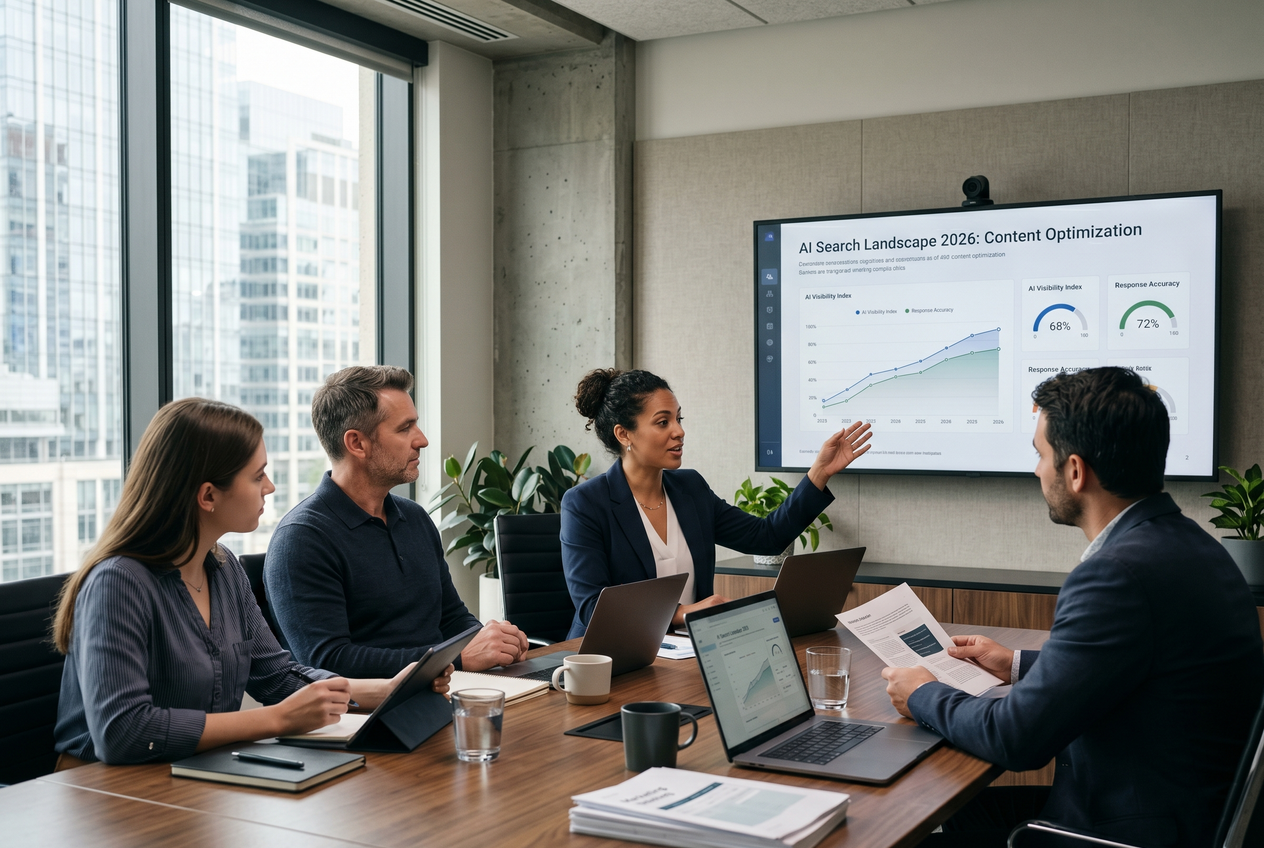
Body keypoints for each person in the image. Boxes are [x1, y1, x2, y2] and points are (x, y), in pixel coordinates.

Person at [882, 367, 1264, 847]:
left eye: (1041, 455)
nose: (1036, 470)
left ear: (1076, 470)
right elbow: (1145, 669)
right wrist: (1017, 664)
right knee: (959, 808)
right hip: (1180, 813)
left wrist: (922, 693)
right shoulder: (1193, 546)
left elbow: (1016, 740)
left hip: (1121, 832)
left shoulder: (1116, 575)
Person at [52, 398, 444, 766]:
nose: (270, 487)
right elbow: (123, 732)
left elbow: (277, 677)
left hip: (194, 775)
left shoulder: (223, 570)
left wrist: (383, 689)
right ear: (208, 496)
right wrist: (276, 720)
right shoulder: (118, 583)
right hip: (105, 795)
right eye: (258, 476)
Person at [561, 368, 871, 639]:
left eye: (678, 419)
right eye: (662, 422)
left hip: (689, 652)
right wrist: (683, 613)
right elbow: (592, 606)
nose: (679, 431)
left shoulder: (690, 489)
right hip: (610, 660)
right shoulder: (585, 504)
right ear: (624, 434)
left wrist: (819, 472)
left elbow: (767, 537)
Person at [265, 366, 528, 677]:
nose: (422, 440)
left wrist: (494, 643)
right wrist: (454, 661)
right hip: (365, 717)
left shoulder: (414, 518)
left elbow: (451, 618)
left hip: (438, 693)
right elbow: (328, 661)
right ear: (356, 443)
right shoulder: (301, 539)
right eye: (405, 428)